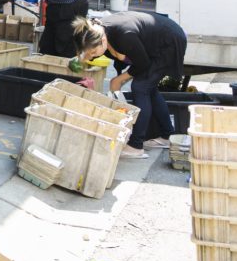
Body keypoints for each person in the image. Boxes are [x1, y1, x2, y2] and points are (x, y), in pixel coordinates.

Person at [72, 13, 185, 158]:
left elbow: (142, 64)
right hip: (157, 39)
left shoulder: (124, 35)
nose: (92, 56)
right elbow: (125, 55)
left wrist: (119, 79)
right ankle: (168, 136)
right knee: (148, 88)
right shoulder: (97, 28)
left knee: (140, 87)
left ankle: (136, 146)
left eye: (93, 53)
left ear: (103, 40)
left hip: (169, 41)